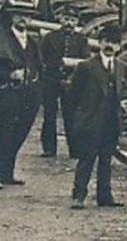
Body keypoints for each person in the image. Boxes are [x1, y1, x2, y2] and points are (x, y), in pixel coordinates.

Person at [0, 5, 42, 189]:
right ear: (13, 17)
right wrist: (8, 75)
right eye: (20, 15)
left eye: (28, 16)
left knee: (20, 132)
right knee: (5, 133)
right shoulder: (1, 40)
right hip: (8, 92)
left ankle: (8, 173)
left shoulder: (32, 42)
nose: (24, 19)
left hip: (29, 94)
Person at [67, 30, 125, 209]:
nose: (110, 46)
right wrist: (79, 119)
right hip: (91, 121)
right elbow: (73, 96)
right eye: (107, 41)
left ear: (119, 46)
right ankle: (79, 196)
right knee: (87, 159)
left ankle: (105, 196)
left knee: (106, 161)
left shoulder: (122, 67)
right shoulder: (86, 66)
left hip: (110, 123)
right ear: (100, 43)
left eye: (115, 43)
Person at [38, 11, 90, 158]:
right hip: (51, 80)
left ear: (77, 22)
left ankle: (74, 149)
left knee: (71, 115)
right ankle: (49, 148)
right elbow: (42, 58)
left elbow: (85, 61)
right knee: (49, 114)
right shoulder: (50, 37)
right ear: (60, 19)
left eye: (73, 20)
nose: (69, 23)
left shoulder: (81, 40)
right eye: (66, 19)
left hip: (72, 83)